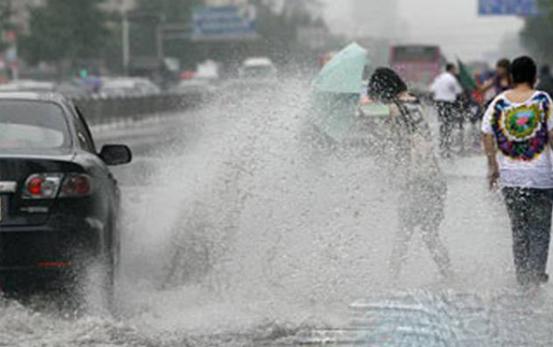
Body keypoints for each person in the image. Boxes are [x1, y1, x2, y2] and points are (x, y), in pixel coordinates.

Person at [368, 67, 452, 280]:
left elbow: (392, 145)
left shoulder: (394, 109)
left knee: (403, 232)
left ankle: (390, 279)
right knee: (430, 234)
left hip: (415, 180)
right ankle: (450, 275)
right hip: (433, 176)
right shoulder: (415, 102)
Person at [482, 56, 553, 286]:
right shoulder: (543, 100)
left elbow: (486, 133)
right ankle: (536, 277)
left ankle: (523, 279)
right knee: (540, 231)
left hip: (511, 179)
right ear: (534, 77)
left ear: (511, 77)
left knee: (519, 231)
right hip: (541, 178)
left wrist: (493, 167)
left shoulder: (498, 102)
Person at [430, 63, 463, 158]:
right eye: (455, 69)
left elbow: (432, 89)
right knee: (448, 123)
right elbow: (458, 91)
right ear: (452, 69)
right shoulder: (452, 79)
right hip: (448, 103)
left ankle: (442, 143)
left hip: (439, 102)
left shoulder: (439, 77)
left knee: (442, 122)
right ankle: (447, 144)